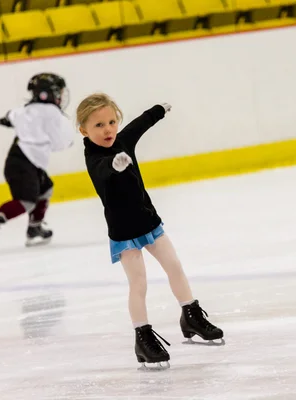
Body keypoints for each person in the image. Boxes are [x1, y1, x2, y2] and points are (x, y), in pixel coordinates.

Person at [77, 93, 224, 370]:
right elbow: (102, 171)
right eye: (98, 126)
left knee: (175, 266)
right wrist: (115, 164)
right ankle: (143, 338)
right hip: (123, 232)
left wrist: (158, 110)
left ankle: (191, 315)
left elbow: (139, 124)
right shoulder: (94, 156)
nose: (108, 129)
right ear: (83, 130)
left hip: (148, 220)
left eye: (111, 122)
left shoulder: (122, 139)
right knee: (139, 284)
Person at [0, 72, 74, 248]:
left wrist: (12, 122)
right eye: (58, 93)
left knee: (45, 188)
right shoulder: (53, 114)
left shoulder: (25, 109)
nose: (60, 97)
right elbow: (62, 142)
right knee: (26, 201)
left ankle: (35, 228)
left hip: (19, 161)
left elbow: (9, 116)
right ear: (47, 94)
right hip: (25, 164)